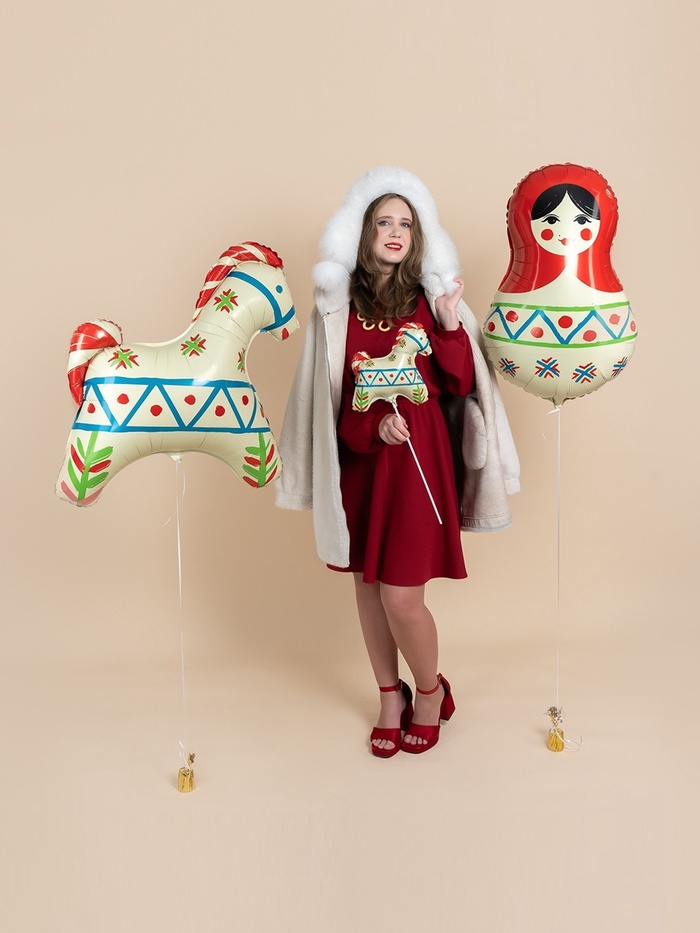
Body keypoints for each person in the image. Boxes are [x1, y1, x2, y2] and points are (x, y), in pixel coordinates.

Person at [276, 167, 520, 757]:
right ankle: (391, 695)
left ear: (418, 235)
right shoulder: (336, 308)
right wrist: (372, 426)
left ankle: (430, 692)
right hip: (362, 463)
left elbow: (461, 383)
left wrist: (449, 323)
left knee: (401, 599)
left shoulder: (433, 299)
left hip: (417, 466)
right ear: (362, 233)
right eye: (383, 222)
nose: (394, 232)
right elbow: (329, 399)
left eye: (405, 224)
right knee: (368, 589)